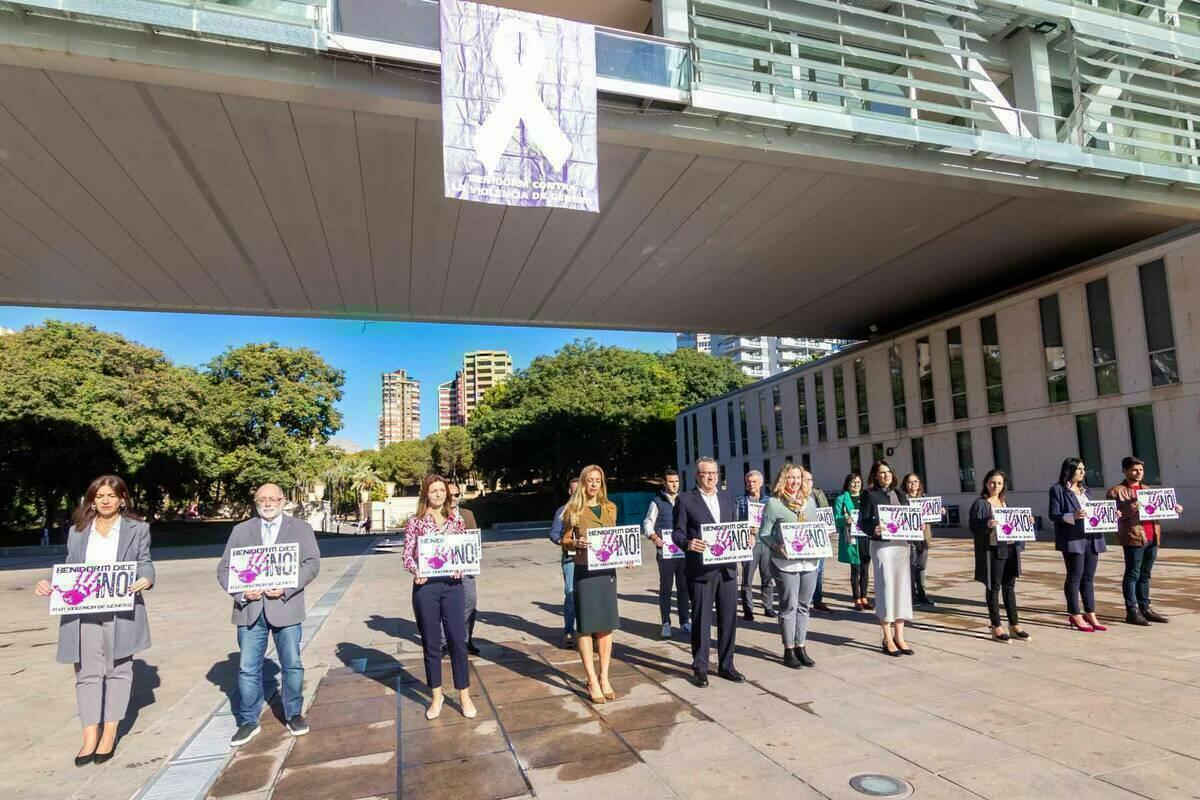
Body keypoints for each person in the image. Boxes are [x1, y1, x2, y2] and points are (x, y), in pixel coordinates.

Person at [35, 476, 154, 767]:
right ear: (92, 499)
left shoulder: (138, 529)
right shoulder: (78, 531)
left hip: (121, 609)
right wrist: (50, 584)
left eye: (111, 495)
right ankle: (89, 735)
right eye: (99, 495)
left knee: (118, 670)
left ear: (122, 499)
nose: (105, 500)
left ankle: (109, 732)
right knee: (86, 673)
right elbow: (71, 569)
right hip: (83, 611)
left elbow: (145, 562)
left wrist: (146, 579)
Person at [218, 483, 322, 745]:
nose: (267, 503)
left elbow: (312, 564)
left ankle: (294, 714)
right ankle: (248, 720)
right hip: (250, 610)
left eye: (272, 499)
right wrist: (242, 593)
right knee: (247, 668)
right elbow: (224, 569)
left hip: (286, 607)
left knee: (292, 664)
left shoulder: (301, 529)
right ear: (255, 501)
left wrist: (287, 586)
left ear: (282, 500)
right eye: (261, 499)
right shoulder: (241, 531)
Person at [402, 474, 477, 720]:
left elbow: (464, 553)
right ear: (426, 494)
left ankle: (464, 694)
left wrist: (461, 566)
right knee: (431, 643)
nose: (438, 494)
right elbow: (407, 556)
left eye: (441, 490)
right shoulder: (415, 522)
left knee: (457, 639)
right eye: (433, 490)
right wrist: (417, 570)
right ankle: (436, 696)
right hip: (426, 588)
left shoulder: (456, 522)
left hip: (453, 586)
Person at [673, 456, 745, 688]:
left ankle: (727, 665)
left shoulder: (727, 498)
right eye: (706, 473)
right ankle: (700, 667)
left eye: (714, 472)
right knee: (701, 620)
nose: (711, 477)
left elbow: (733, 528)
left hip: (727, 570)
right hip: (701, 569)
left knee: (728, 619)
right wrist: (687, 543)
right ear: (697, 476)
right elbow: (677, 532)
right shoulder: (685, 500)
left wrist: (746, 539)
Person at [559, 465, 621, 704]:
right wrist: (576, 544)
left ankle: (604, 676)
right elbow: (563, 539)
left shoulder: (610, 507)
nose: (594, 484)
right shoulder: (572, 509)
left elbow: (616, 537)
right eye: (590, 480)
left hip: (607, 571)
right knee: (585, 626)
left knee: (606, 625)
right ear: (583, 483)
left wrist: (625, 555)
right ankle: (590, 679)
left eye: (598, 480)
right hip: (584, 571)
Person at [758, 465, 820, 669]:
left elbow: (814, 527)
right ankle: (789, 649)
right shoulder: (774, 503)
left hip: (809, 560)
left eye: (798, 478)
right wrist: (776, 545)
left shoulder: (809, 502)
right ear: (783, 479)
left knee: (804, 606)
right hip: (785, 563)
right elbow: (764, 534)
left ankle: (801, 646)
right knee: (789, 606)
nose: (795, 482)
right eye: (791, 478)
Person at [1107, 456, 1183, 625]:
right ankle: (1132, 610)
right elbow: (1111, 517)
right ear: (1125, 471)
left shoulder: (1147, 490)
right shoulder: (1116, 491)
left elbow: (1158, 510)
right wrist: (1130, 508)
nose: (1138, 473)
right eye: (1134, 469)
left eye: (1141, 470)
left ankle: (1145, 607)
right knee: (1133, 573)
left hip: (1152, 536)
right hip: (1133, 537)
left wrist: (1173, 508)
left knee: (1145, 574)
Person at [857, 460, 914, 656]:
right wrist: (873, 529)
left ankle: (900, 635)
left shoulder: (899, 493)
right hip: (883, 546)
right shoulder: (868, 495)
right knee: (886, 588)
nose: (885, 475)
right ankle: (887, 637)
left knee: (902, 589)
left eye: (888, 472)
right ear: (875, 475)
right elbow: (861, 521)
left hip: (901, 545)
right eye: (881, 473)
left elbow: (908, 516)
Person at [969, 470, 1029, 643]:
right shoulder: (981, 503)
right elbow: (974, 526)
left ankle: (1014, 623)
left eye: (999, 483)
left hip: (1009, 548)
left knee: (1009, 586)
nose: (995, 486)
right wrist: (986, 524)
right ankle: (996, 626)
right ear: (986, 483)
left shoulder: (1005, 503)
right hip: (993, 549)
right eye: (992, 483)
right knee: (993, 587)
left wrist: (1025, 522)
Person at [1049, 458, 1107, 632]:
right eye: (1078, 469)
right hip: (1073, 538)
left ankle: (1090, 612)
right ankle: (1075, 613)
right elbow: (1054, 515)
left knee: (1088, 577)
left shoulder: (1086, 490)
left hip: (1092, 537)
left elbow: (1093, 513)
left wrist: (1110, 514)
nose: (1082, 472)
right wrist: (1072, 516)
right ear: (1069, 470)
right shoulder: (1058, 490)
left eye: (1083, 469)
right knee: (1075, 576)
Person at [642, 470, 691, 639]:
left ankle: (685, 621)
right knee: (666, 588)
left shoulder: (684, 500)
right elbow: (648, 522)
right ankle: (666, 623)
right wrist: (653, 536)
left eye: (676, 481)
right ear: (664, 483)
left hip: (683, 551)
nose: (674, 484)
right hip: (666, 552)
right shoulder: (657, 502)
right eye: (671, 481)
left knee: (684, 587)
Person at [448, 481, 481, 656]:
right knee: (446, 606)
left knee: (471, 601)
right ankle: (446, 642)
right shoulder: (438, 515)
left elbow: (474, 538)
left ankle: (466, 639)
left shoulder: (467, 514)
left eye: (456, 495)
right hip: (446, 568)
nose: (453, 499)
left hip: (466, 565)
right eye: (450, 495)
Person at [736, 470, 774, 621]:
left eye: (754, 481)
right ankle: (748, 609)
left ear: (761, 483)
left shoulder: (768, 500)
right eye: (748, 481)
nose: (751, 484)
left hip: (766, 543)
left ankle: (768, 607)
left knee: (767, 577)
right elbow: (735, 521)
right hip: (749, 544)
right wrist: (747, 528)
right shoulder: (740, 500)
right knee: (747, 580)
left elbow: (773, 521)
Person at [549, 478, 580, 649]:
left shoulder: (588, 510)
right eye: (575, 491)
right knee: (570, 594)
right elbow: (553, 534)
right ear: (570, 492)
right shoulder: (562, 511)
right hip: (570, 558)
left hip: (590, 559)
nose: (578, 494)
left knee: (589, 594)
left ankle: (591, 629)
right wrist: (564, 541)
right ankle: (569, 630)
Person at [902, 473, 938, 608]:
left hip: (923, 538)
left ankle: (922, 594)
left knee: (921, 567)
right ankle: (912, 596)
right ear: (905, 484)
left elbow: (931, 515)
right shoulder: (903, 500)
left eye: (915, 481)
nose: (913, 485)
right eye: (910, 482)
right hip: (909, 538)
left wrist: (939, 511)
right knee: (910, 567)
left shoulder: (924, 499)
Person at [835, 473, 870, 611]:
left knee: (865, 569)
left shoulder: (866, 497)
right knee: (855, 569)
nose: (856, 485)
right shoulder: (841, 499)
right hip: (851, 537)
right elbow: (836, 518)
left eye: (858, 482)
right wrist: (844, 520)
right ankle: (857, 599)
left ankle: (865, 597)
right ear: (848, 484)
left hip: (866, 537)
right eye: (853, 483)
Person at [806, 473, 833, 613]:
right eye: (805, 479)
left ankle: (817, 599)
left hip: (820, 538)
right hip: (804, 540)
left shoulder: (818, 494)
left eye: (810, 479)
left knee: (819, 569)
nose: (808, 482)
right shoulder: (796, 497)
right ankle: (805, 599)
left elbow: (826, 513)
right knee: (806, 570)